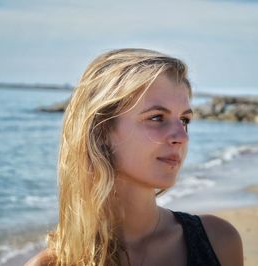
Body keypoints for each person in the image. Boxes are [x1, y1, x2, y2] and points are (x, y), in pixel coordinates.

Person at [26, 48, 243, 266]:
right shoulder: (52, 264)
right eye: (157, 117)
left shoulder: (218, 241)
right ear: (101, 131)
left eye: (184, 120)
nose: (181, 136)